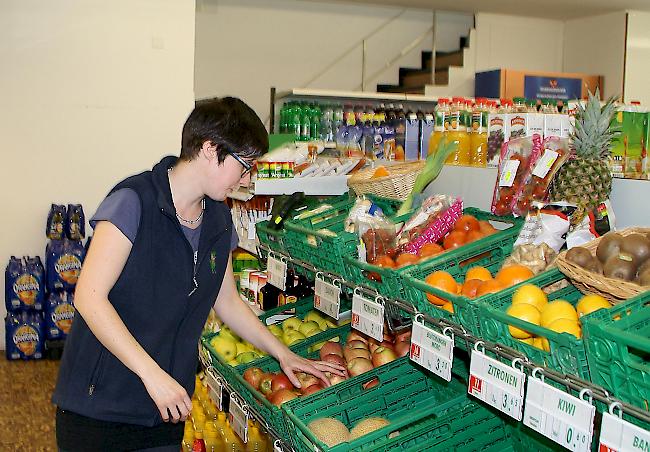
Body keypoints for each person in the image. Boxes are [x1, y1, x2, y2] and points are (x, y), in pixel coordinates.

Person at [53, 97, 345, 451]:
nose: (247, 177)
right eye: (245, 164)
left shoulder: (219, 221)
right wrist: (152, 375)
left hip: (164, 410)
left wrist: (282, 352)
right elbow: (88, 296)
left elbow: (229, 303)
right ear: (210, 149)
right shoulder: (134, 201)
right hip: (99, 408)